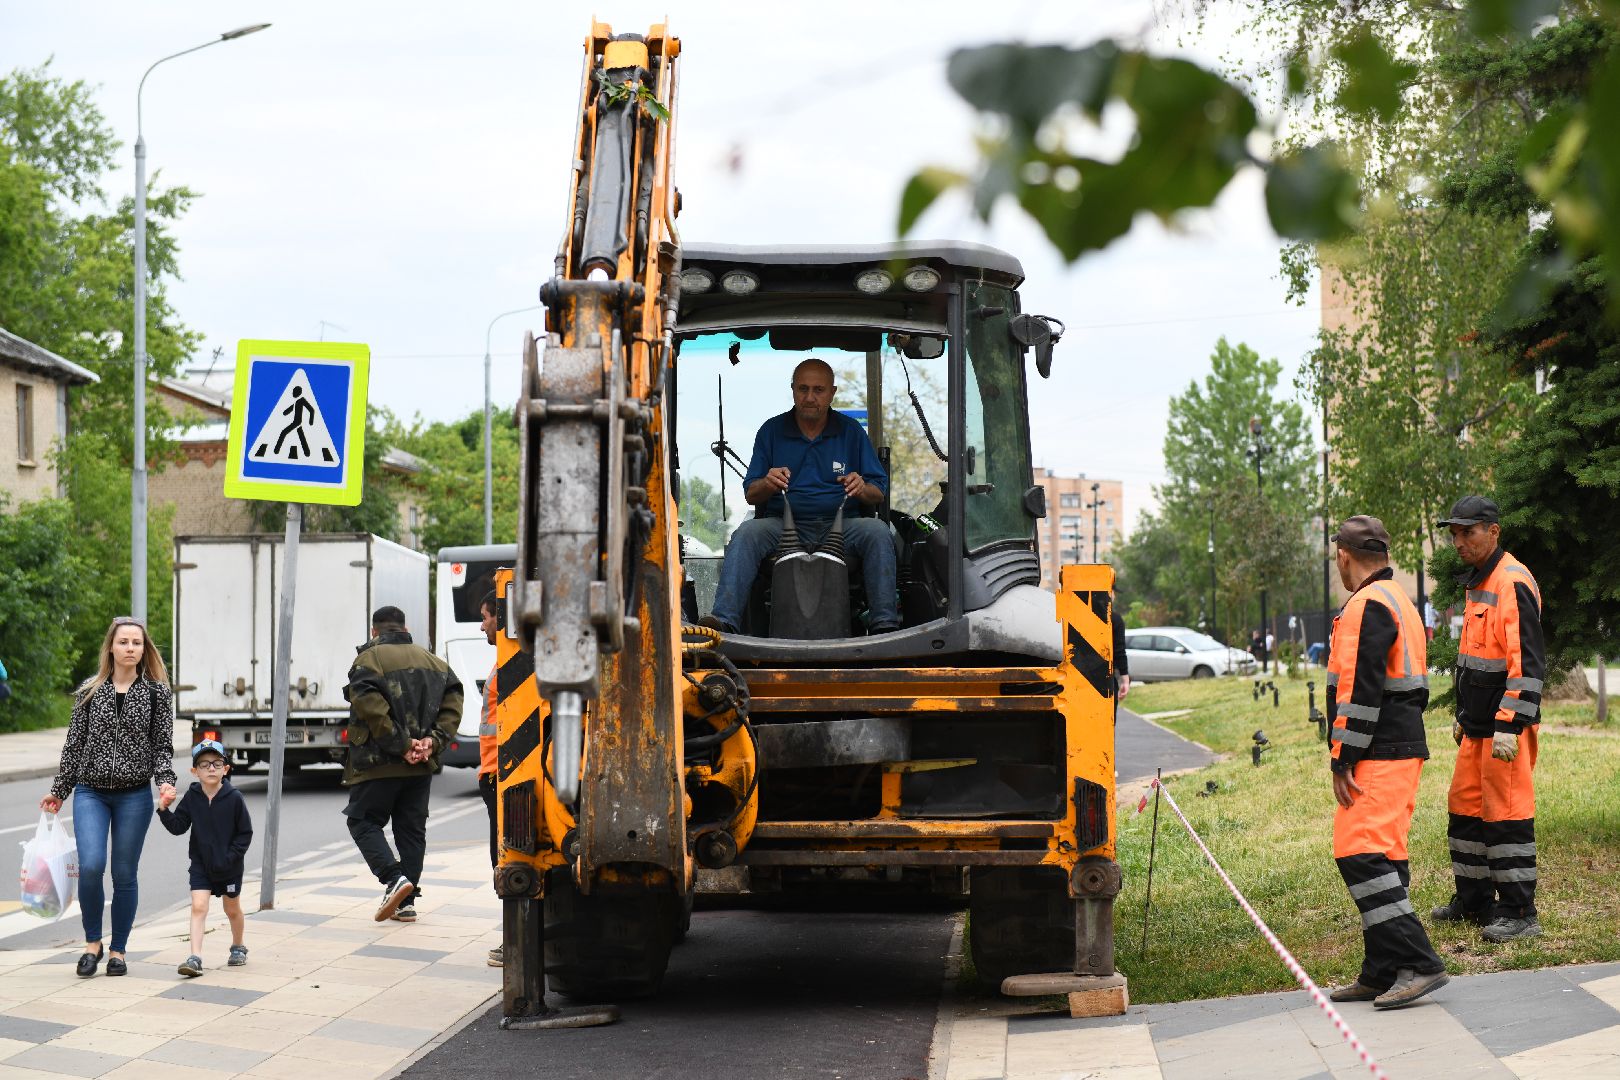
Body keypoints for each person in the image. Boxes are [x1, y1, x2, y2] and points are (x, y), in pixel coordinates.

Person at [1322, 516, 1449, 1010]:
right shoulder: (1400, 599)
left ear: (1344, 557)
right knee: (1387, 858)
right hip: (1402, 745)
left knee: (1359, 853)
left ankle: (1419, 962)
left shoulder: (1366, 604)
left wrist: (1343, 758)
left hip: (1379, 750)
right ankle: (1382, 970)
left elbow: (1360, 689)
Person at [701, 358, 896, 636]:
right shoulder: (771, 431)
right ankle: (723, 624)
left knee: (878, 531)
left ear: (832, 392)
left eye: (818, 390)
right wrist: (768, 482)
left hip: (842, 527)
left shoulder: (851, 432)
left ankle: (884, 626)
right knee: (746, 534)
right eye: (803, 389)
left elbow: (878, 492)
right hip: (783, 526)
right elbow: (750, 493)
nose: (810, 397)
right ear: (793, 390)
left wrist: (861, 486)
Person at [1430, 495, 1546, 943]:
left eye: (1467, 532)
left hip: (1504, 730)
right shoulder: (1481, 581)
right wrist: (1464, 713)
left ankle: (1519, 911)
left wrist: (1510, 726)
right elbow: (1476, 658)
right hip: (1477, 727)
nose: (1458, 541)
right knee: (1465, 812)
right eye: (1454, 533)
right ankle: (1475, 901)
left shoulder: (1511, 581)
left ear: (1493, 532)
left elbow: (1528, 665)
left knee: (1507, 817)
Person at [40, 616, 178, 978]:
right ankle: (92, 944)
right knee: (90, 866)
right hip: (91, 792)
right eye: (124, 642)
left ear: (143, 649)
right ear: (111, 648)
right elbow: (74, 746)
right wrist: (59, 790)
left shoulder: (156, 692)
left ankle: (118, 950)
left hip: (135, 795)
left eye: (136, 642)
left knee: (124, 873)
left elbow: (163, 746)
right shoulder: (89, 690)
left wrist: (165, 781)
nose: (130, 648)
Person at [342, 605, 463, 923]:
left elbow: (372, 708)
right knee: (411, 831)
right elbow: (453, 702)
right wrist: (431, 742)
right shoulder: (435, 662)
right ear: (404, 626)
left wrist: (401, 744)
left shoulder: (368, 660)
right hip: (421, 764)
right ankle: (406, 901)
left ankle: (393, 879)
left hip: (378, 763)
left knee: (362, 822)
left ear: (374, 631)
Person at [157, 738, 253, 978]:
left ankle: (238, 946)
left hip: (229, 866)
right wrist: (163, 809)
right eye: (204, 764)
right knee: (199, 907)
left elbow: (245, 834)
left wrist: (230, 858)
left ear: (226, 769)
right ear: (194, 771)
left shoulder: (234, 798)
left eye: (217, 763)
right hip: (201, 865)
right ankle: (195, 957)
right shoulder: (192, 797)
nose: (211, 768)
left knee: (232, 910)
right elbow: (179, 827)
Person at [476, 590, 527, 967]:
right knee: (505, 856)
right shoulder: (504, 663)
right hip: (496, 773)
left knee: (509, 857)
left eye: (486, 617)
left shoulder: (512, 664)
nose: (482, 626)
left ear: (501, 616)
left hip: (503, 776)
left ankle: (517, 940)